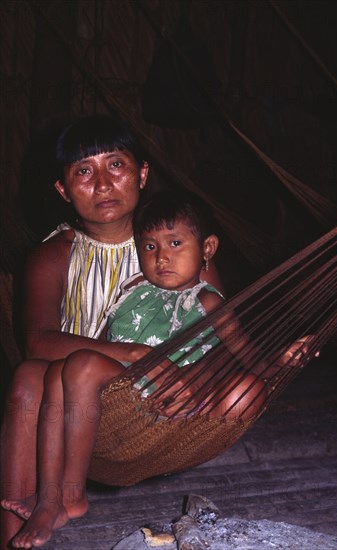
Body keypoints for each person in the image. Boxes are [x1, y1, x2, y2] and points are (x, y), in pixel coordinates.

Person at [0, 116, 223, 549]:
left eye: (115, 165)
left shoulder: (172, 245)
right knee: (28, 377)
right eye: (84, 171)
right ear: (63, 191)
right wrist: (132, 353)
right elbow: (37, 341)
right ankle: (15, 534)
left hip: (148, 395)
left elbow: (218, 326)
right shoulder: (52, 255)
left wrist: (199, 379)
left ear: (142, 174)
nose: (102, 183)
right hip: (69, 395)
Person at [6, 191, 265, 548]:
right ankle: (54, 499)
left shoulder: (205, 299)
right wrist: (129, 353)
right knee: (58, 373)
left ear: (207, 249)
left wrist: (282, 361)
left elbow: (242, 354)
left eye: (175, 243)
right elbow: (87, 340)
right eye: (149, 248)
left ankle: (66, 495)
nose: (162, 257)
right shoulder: (134, 290)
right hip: (122, 394)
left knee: (79, 365)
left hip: (171, 401)